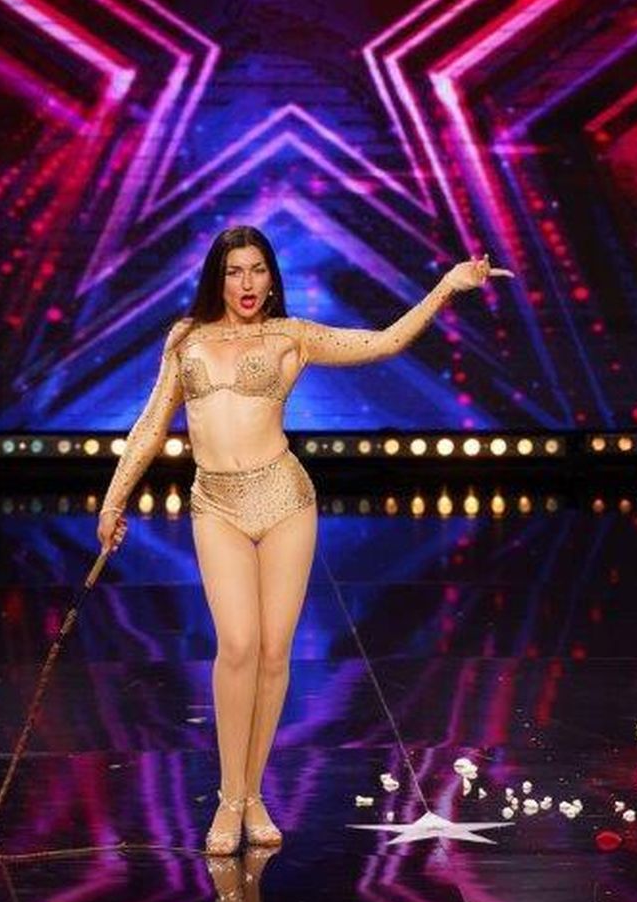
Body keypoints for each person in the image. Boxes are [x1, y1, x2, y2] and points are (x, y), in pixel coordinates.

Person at [97, 226, 510, 854]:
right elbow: (153, 423)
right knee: (237, 645)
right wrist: (114, 498)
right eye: (235, 271)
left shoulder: (294, 335)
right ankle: (229, 798)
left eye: (258, 270)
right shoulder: (186, 338)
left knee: (272, 654)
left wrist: (447, 288)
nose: (247, 284)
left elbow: (383, 342)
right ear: (217, 278)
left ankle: (251, 795)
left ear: (271, 277)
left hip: (285, 499)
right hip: (216, 504)